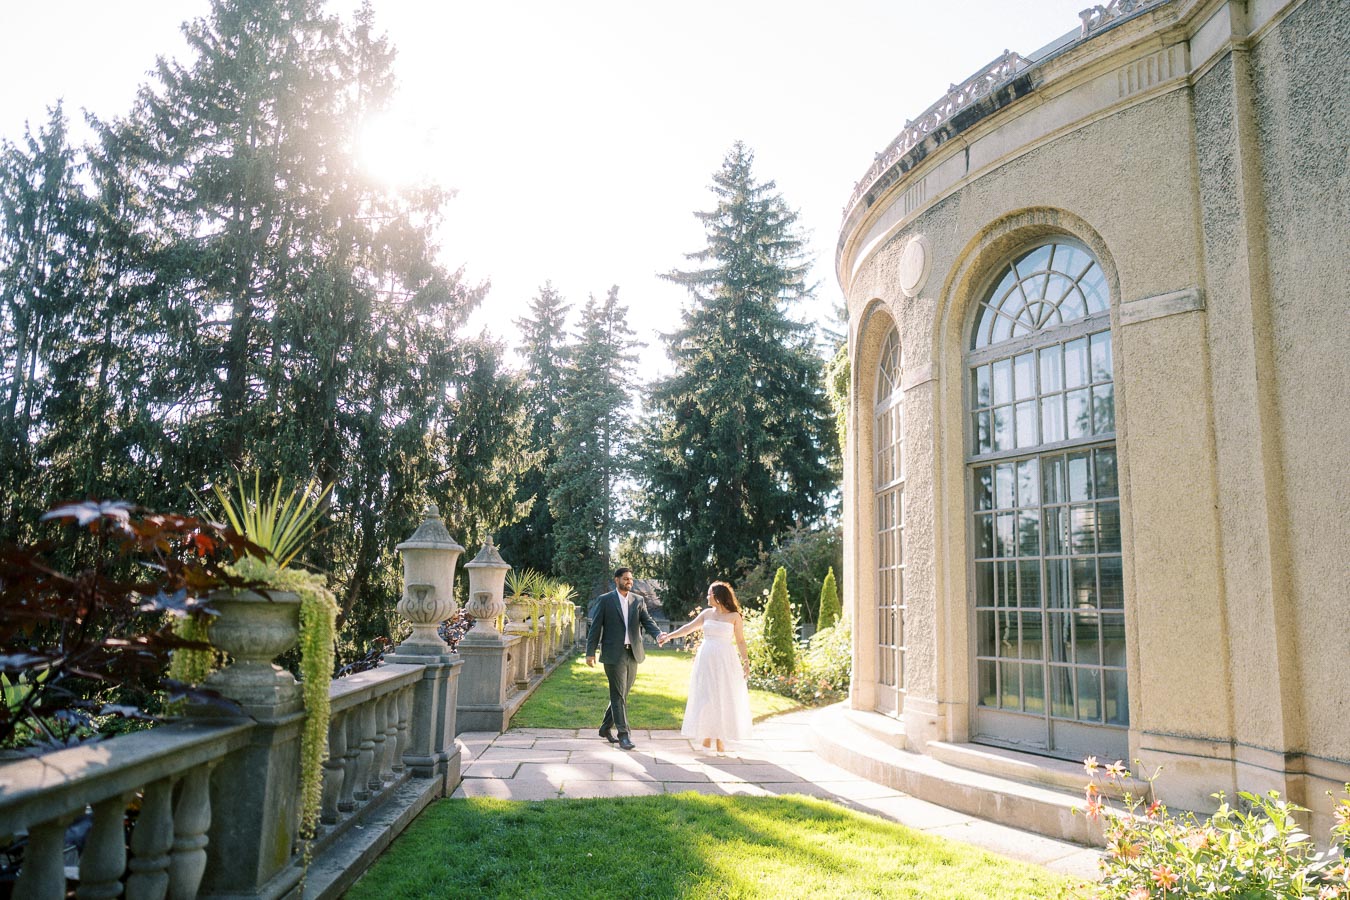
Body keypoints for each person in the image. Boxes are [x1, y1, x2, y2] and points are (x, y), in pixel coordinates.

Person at [657, 581, 752, 754]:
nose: (707, 596)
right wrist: (668, 636)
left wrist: (746, 662)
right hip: (706, 659)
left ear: (717, 596)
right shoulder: (707, 614)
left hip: (725, 661)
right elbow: (687, 628)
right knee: (706, 697)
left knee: (723, 696)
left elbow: (740, 641)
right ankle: (707, 737)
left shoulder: (734, 617)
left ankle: (721, 738)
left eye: (709, 593)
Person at [586, 567, 665, 750]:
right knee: (618, 694)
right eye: (625, 578)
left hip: (633, 653)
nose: (629, 581)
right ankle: (624, 735)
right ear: (617, 580)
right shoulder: (605, 600)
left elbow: (647, 621)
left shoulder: (638, 600)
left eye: (631, 579)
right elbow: (595, 628)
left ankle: (605, 727)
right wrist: (590, 652)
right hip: (614, 654)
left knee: (622, 694)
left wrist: (659, 635)